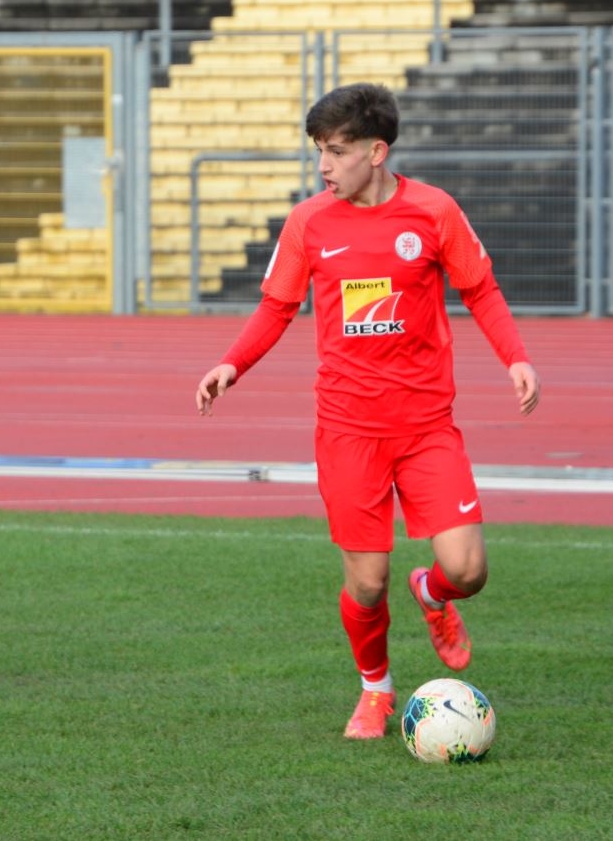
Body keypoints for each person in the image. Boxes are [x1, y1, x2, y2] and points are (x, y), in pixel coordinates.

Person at [194, 83, 540, 739]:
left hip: (426, 426)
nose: (323, 166)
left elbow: (481, 289)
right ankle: (375, 690)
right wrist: (229, 365)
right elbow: (276, 307)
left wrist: (514, 358)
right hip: (348, 429)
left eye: (336, 151)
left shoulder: (433, 212)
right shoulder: (308, 223)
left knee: (468, 569)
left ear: (375, 152)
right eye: (318, 152)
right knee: (367, 581)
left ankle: (433, 595)